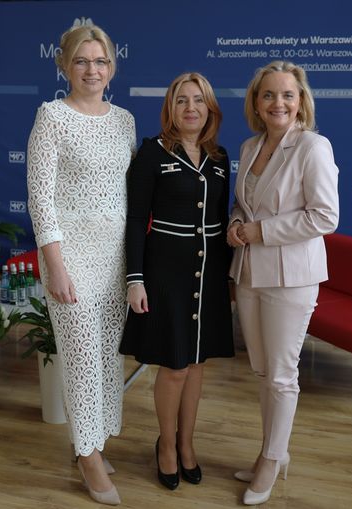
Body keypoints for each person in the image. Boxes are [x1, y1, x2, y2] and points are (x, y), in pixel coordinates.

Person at [27, 22, 136, 506]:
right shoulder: (51, 116)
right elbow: (40, 198)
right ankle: (87, 457)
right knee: (80, 358)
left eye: (101, 61)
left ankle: (94, 442)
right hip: (70, 257)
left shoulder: (124, 121)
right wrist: (56, 266)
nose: (92, 70)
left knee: (107, 357)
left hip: (115, 257)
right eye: (82, 61)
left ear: (112, 67)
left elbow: (128, 192)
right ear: (65, 66)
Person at [227, 61, 339, 505]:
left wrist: (261, 231)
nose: (279, 103)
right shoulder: (250, 146)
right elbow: (245, 205)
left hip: (291, 278)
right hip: (249, 273)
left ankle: (272, 461)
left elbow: (325, 216)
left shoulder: (313, 147)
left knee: (281, 375)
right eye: (269, 95)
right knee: (262, 371)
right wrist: (236, 225)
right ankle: (270, 451)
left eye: (288, 95)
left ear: (300, 101)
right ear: (256, 103)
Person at [120, 72, 234, 490]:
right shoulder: (152, 153)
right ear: (170, 107)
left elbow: (220, 219)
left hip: (209, 274)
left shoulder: (219, 157)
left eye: (199, 100)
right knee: (174, 365)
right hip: (165, 273)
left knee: (197, 364)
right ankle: (166, 445)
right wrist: (135, 279)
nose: (191, 108)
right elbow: (136, 220)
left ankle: (187, 443)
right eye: (182, 100)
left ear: (210, 109)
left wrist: (230, 276)